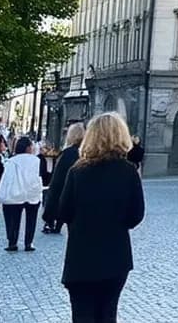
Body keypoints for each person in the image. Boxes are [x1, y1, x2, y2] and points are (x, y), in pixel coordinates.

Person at [59, 112, 146, 323]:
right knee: (108, 314)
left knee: (82, 315)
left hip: (81, 257)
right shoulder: (128, 172)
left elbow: (63, 212)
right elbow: (136, 215)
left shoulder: (77, 172)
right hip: (115, 257)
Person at [0, 136, 43, 252]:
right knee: (31, 219)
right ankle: (29, 242)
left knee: (12, 218)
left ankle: (12, 241)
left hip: (15, 194)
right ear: (28, 148)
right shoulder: (36, 161)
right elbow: (41, 176)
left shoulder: (12, 161)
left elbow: (6, 180)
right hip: (32, 193)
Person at [44, 122, 85, 234]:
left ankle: (52, 222)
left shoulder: (67, 153)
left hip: (63, 186)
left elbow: (57, 178)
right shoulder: (84, 153)